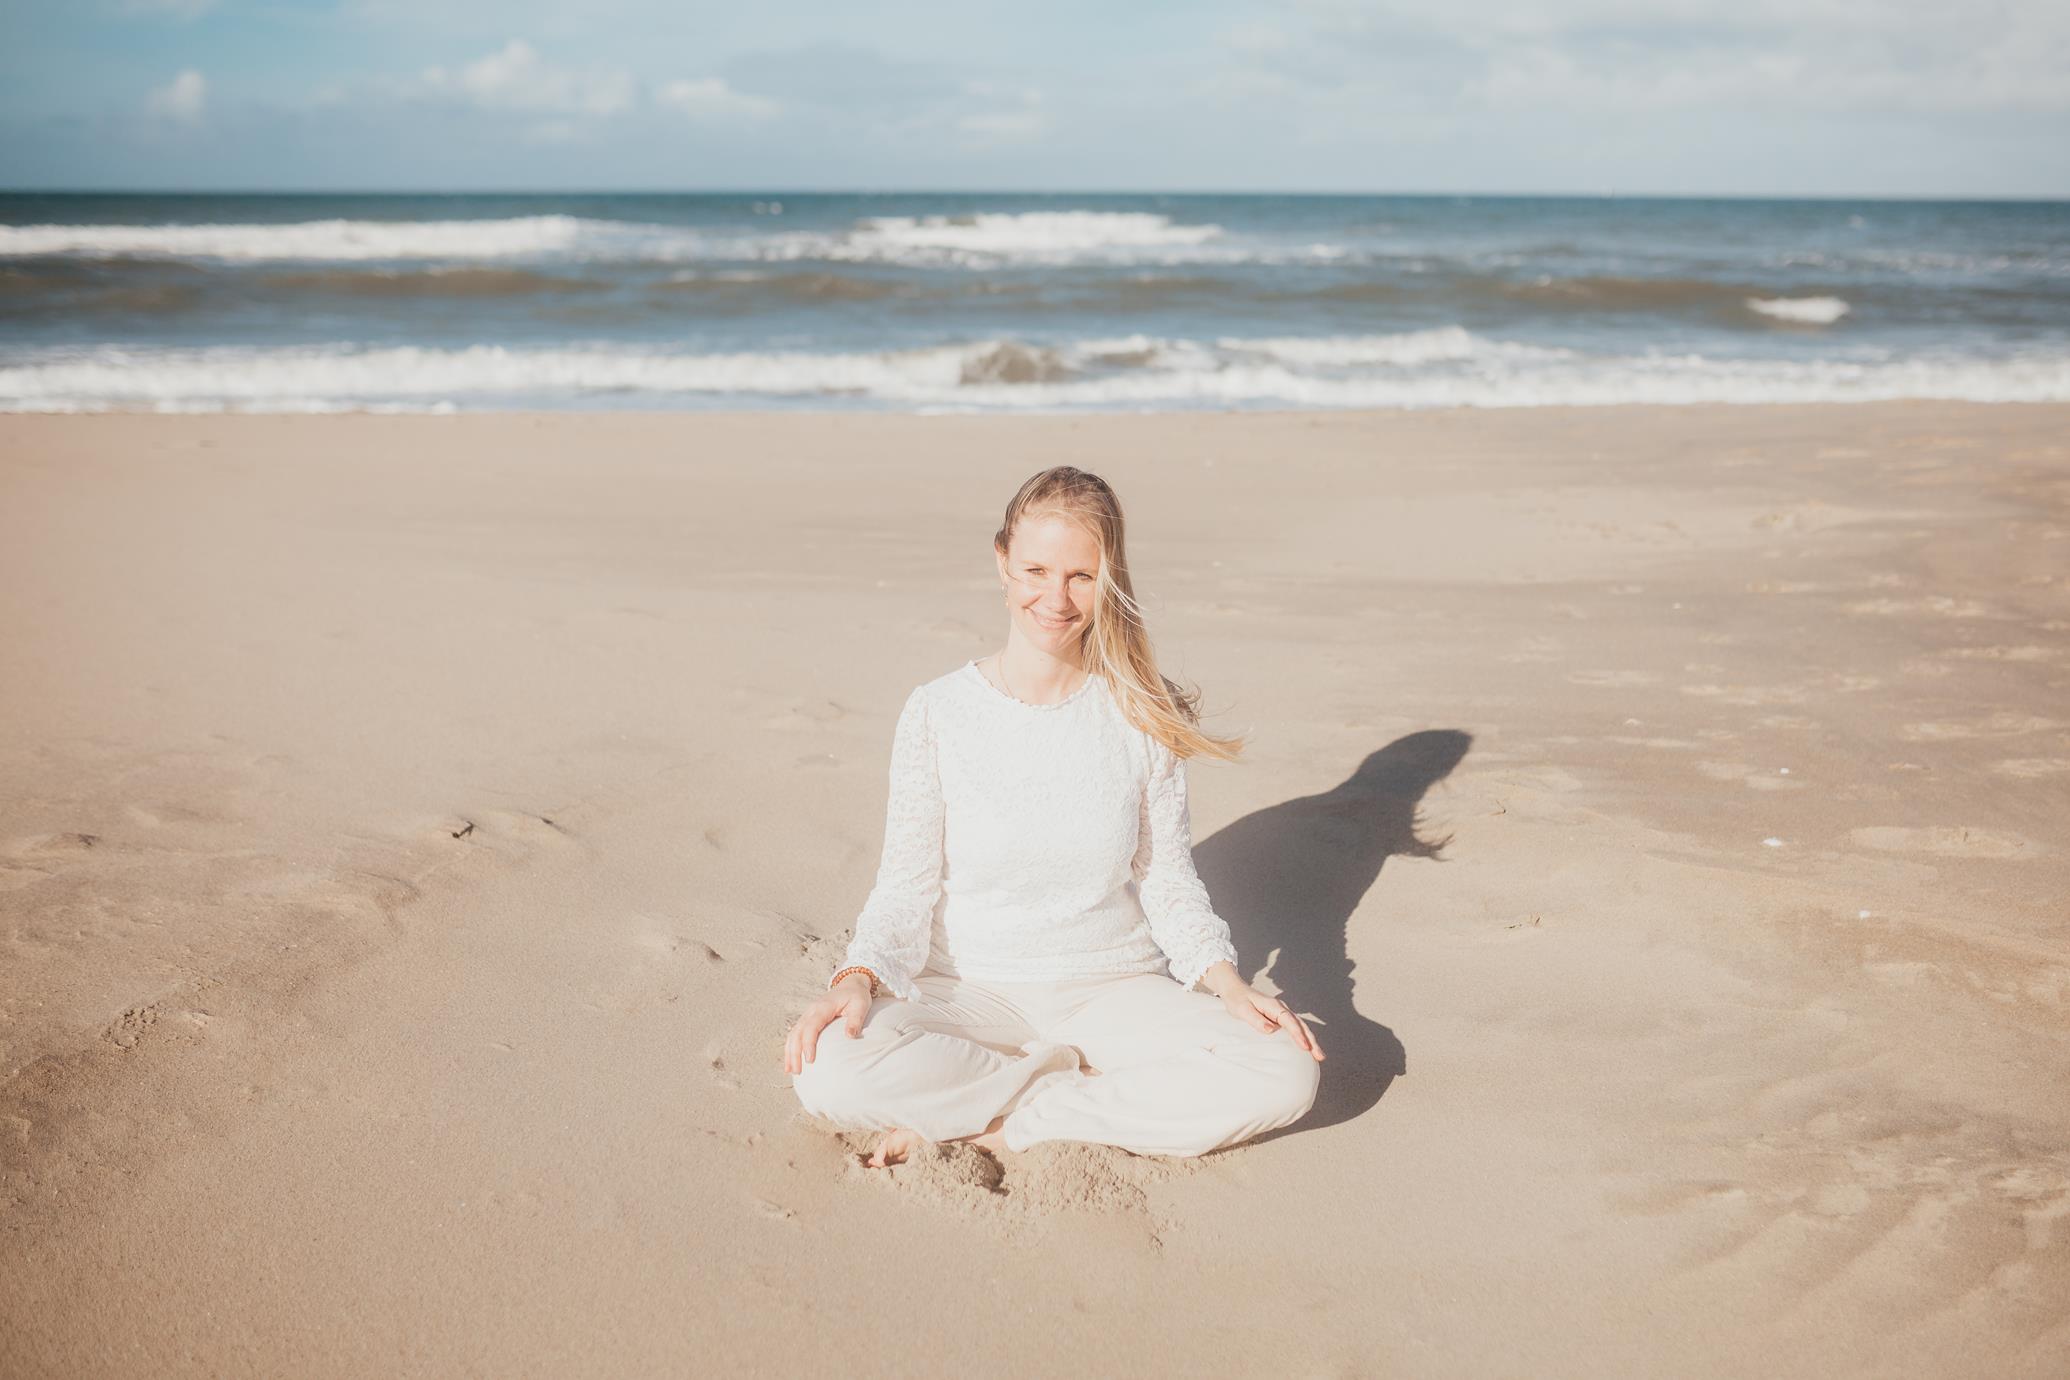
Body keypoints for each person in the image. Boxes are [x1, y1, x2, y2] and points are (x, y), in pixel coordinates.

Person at [783, 465, 1323, 1167]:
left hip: (1111, 991)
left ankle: (1020, 1123)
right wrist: (858, 976)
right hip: (966, 993)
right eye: (1036, 569)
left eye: (1080, 576)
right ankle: (1075, 1087)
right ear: (1002, 563)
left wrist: (1224, 981)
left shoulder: (1139, 714)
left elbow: (1166, 879)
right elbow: (905, 885)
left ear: (1109, 580)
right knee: (827, 1068)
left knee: (1284, 1069)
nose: (1055, 598)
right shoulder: (938, 711)